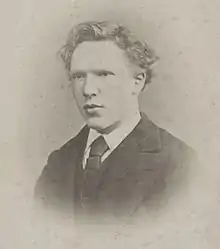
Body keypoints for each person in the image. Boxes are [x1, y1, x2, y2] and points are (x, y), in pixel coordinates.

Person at [34, 21, 196, 218]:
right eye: (78, 76)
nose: (88, 90)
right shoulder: (58, 163)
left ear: (137, 81)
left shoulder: (179, 164)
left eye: (103, 74)